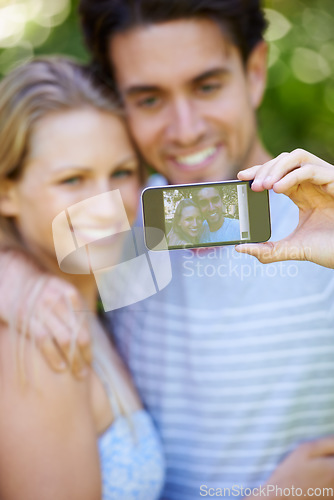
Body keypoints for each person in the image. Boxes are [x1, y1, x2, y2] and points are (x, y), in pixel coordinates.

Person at [1, 1, 334, 498]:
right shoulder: (125, 223)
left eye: (207, 86)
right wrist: (13, 274)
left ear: (256, 72)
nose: (185, 129)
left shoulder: (325, 224)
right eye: (149, 98)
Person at [0, 57, 165, 500]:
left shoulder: (88, 304)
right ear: (5, 191)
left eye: (121, 173)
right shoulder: (40, 343)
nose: (105, 204)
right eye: (72, 179)